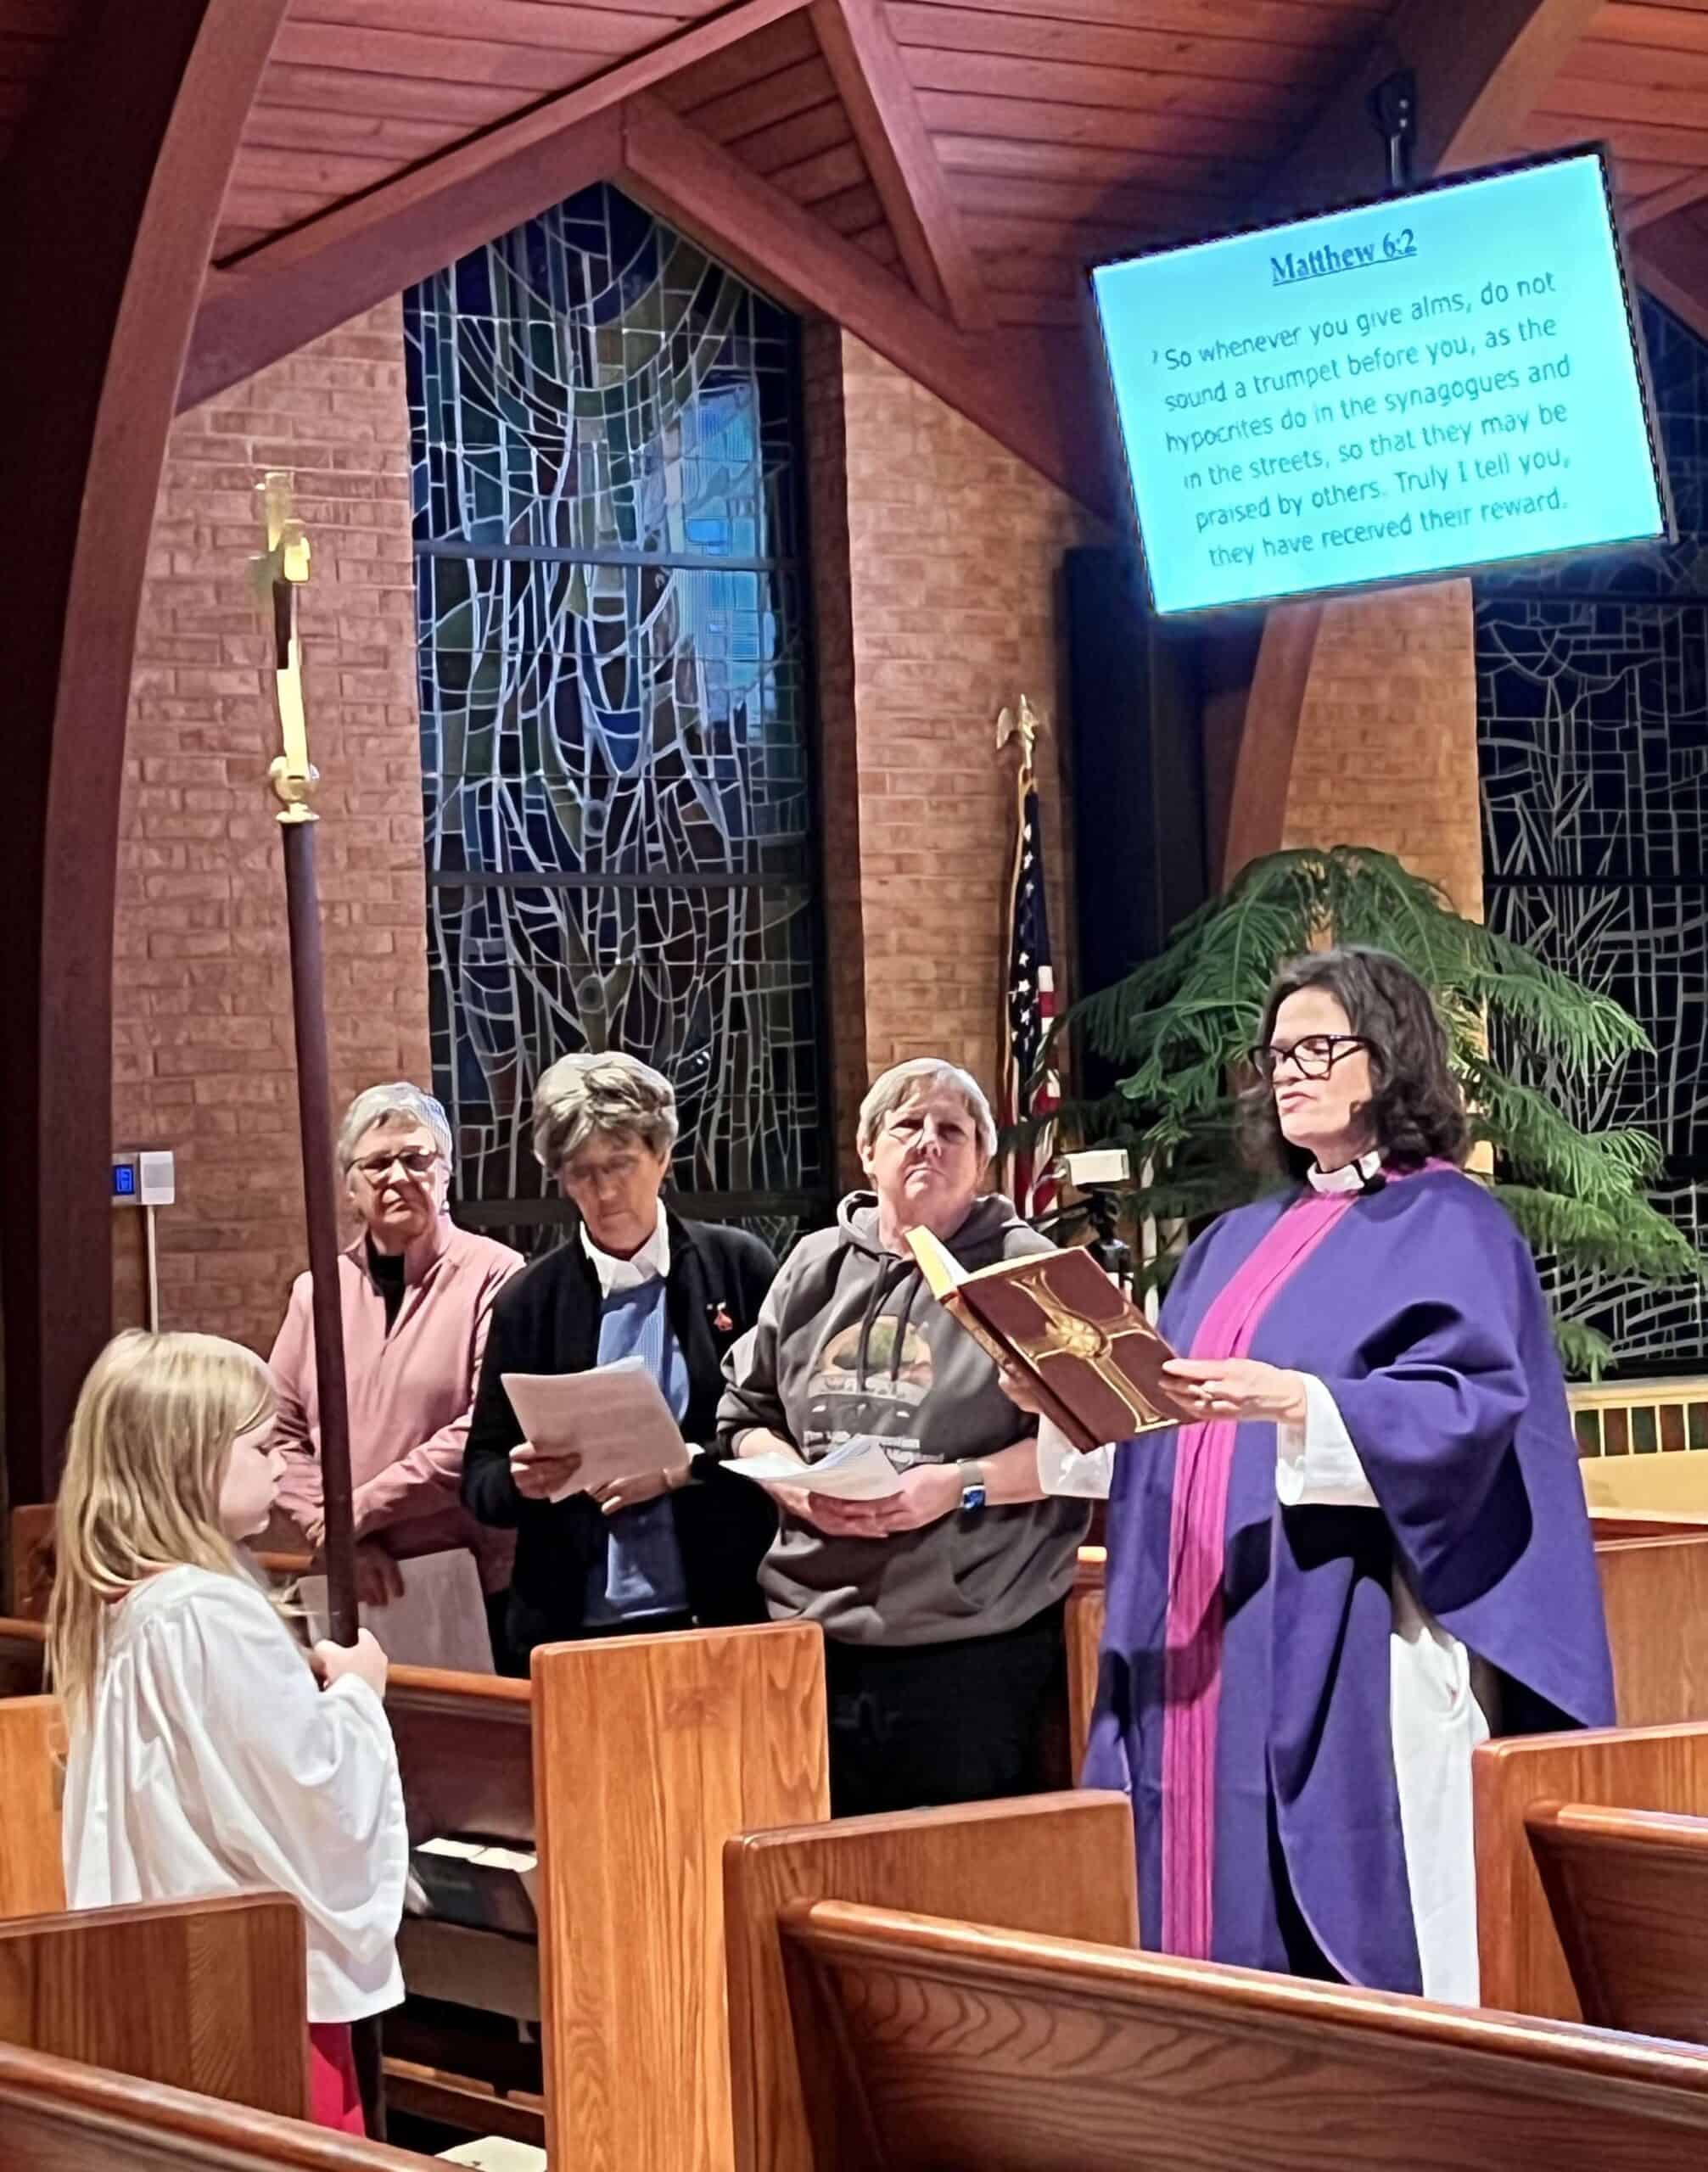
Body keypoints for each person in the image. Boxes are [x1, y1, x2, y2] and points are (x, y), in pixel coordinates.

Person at [1081, 945, 1614, 2002]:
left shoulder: (1452, 1223)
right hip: (1204, 1639)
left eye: (1321, 1047)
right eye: (1278, 1053)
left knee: (1354, 1952)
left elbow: (1474, 1412)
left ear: (1393, 1059)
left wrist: (1303, 1405)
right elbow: (1172, 1419)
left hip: (1351, 1625)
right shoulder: (1229, 1240)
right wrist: (1074, 1397)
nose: (1290, 1071)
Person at [48, 1330, 407, 2135]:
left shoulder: (138, 1602)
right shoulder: (207, 1612)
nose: (282, 1464)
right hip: (248, 1987)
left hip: (176, 1965)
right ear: (188, 1463)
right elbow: (308, 1798)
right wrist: (356, 1697)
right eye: (258, 1446)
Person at [718, 1057, 1089, 1817]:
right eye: (907, 1126)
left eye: (951, 1130)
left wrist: (956, 1486)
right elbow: (745, 1414)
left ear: (982, 1160)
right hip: (806, 1636)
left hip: (967, 1640)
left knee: (947, 1888)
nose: (928, 1142)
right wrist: (793, 1481)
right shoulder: (813, 1265)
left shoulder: (1031, 1275)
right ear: (868, 1150)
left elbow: (1096, 1447)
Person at [462, 1051, 779, 1665]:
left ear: (661, 1155)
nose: (604, 1192)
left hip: (722, 1606)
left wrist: (679, 1470)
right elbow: (479, 1477)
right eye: (581, 1173)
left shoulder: (739, 1267)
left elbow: (785, 1436)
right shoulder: (529, 1300)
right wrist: (520, 1479)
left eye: (620, 1164)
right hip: (572, 1624)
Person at [269, 1083, 522, 1654]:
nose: (398, 1175)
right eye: (378, 1163)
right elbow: (275, 1432)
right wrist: (339, 1538)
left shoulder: (496, 1275)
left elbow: (484, 1427)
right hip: (350, 1575)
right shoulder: (318, 1294)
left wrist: (353, 1513)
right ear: (351, 1189)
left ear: (447, 1174)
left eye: (416, 1158)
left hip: (469, 1576)